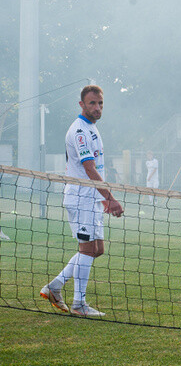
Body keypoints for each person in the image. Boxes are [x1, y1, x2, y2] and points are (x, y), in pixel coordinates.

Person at [39, 85, 124, 317]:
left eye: (100, 103)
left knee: (97, 249)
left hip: (92, 198)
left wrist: (101, 197)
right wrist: (111, 199)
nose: (97, 108)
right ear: (81, 105)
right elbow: (88, 168)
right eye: (92, 103)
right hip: (80, 197)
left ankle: (55, 286)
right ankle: (79, 304)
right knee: (87, 249)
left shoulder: (92, 128)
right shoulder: (79, 131)